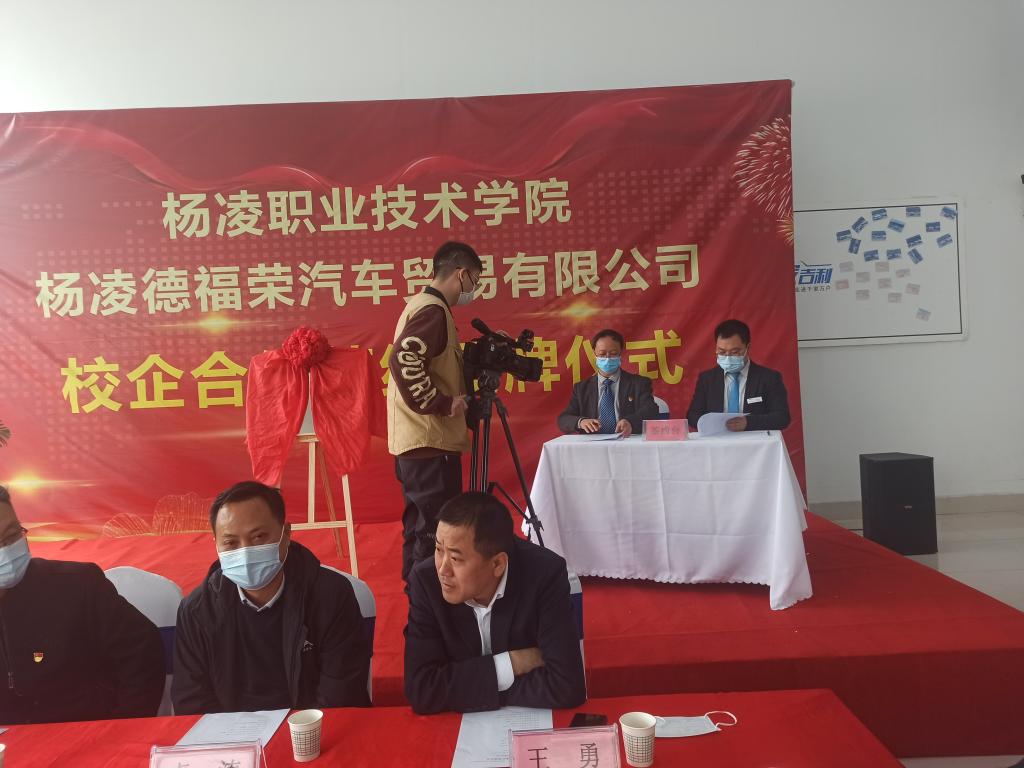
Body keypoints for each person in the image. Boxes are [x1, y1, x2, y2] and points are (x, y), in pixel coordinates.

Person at [172, 481, 371, 714]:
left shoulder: (330, 596)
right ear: (215, 544)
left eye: (258, 537)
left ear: (286, 533)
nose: (245, 552)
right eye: (231, 543)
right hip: (233, 734)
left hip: (312, 730)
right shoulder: (197, 612)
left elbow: (341, 696)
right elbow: (192, 703)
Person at [404, 492, 587, 714]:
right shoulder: (426, 581)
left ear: (498, 564)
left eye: (455, 558)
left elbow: (567, 686)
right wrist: (512, 663)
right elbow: (422, 690)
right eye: (438, 549)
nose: (442, 569)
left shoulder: (544, 575)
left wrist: (465, 688)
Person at [0, 485, 164, 724]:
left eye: (12, 535)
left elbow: (143, 651)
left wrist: (124, 725)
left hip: (88, 731)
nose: (6, 551)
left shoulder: (78, 585)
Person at [388, 241, 481, 584]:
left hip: (418, 441)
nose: (473, 290)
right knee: (434, 533)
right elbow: (404, 359)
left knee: (420, 527)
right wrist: (441, 402)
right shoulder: (433, 310)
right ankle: (429, 597)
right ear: (461, 274)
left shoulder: (421, 305)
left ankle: (417, 592)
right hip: (430, 441)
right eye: (475, 281)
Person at [686, 319, 791, 432]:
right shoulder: (707, 379)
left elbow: (782, 418)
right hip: (717, 439)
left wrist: (748, 423)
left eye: (734, 352)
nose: (728, 357)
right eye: (722, 352)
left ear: (747, 348)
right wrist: (712, 422)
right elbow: (692, 416)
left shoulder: (769, 378)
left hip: (755, 440)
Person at [557, 329, 659, 437]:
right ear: (594, 353)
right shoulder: (582, 388)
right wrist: (581, 421)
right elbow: (563, 419)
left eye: (613, 354)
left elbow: (651, 410)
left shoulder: (639, 383)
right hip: (592, 443)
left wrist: (630, 422)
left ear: (620, 353)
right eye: (602, 354)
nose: (607, 358)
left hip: (626, 441)